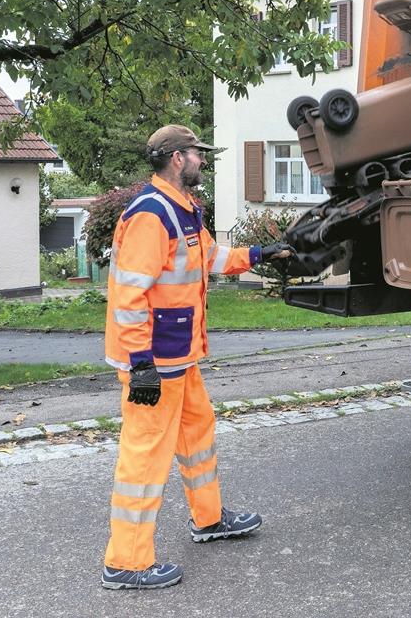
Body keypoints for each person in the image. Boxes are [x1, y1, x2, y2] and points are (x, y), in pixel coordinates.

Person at [100, 124, 292, 590]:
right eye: (195, 153)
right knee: (145, 456)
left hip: (179, 356)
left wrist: (262, 253)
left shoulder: (184, 211)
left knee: (197, 432)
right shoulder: (152, 214)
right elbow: (128, 295)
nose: (202, 160)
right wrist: (140, 363)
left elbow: (210, 258)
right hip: (155, 362)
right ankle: (125, 562)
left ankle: (207, 520)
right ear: (175, 158)